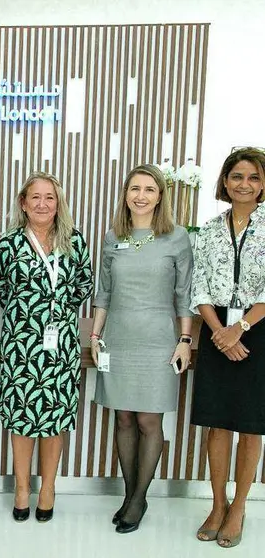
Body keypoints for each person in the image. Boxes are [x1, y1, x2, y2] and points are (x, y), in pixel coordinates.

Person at [90, 164, 194, 533]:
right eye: (135, 188)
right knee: (124, 418)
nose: (141, 196)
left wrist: (185, 341)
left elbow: (184, 294)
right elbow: (103, 293)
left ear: (160, 196)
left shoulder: (177, 237)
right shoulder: (112, 236)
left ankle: (138, 499)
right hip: (118, 336)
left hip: (158, 339)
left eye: (149, 189)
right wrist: (96, 335)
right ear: (125, 194)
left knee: (149, 419)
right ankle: (130, 494)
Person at [0, 172, 93, 523]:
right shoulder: (9, 244)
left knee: (55, 418)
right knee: (22, 418)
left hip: (61, 344)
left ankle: (48, 488)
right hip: (21, 345)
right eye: (35, 197)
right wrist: (28, 312)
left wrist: (55, 310)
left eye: (50, 197)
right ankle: (22, 489)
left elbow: (83, 286)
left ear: (58, 203)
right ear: (23, 202)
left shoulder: (74, 241)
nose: (42, 203)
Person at [190, 147, 265, 548]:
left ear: (263, 184)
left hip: (258, 328)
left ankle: (239, 507)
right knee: (217, 423)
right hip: (216, 327)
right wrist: (220, 331)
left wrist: (240, 328)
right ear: (224, 182)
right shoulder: (209, 229)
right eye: (237, 176)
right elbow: (198, 286)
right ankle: (217, 504)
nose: (244, 184)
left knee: (251, 426)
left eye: (253, 177)